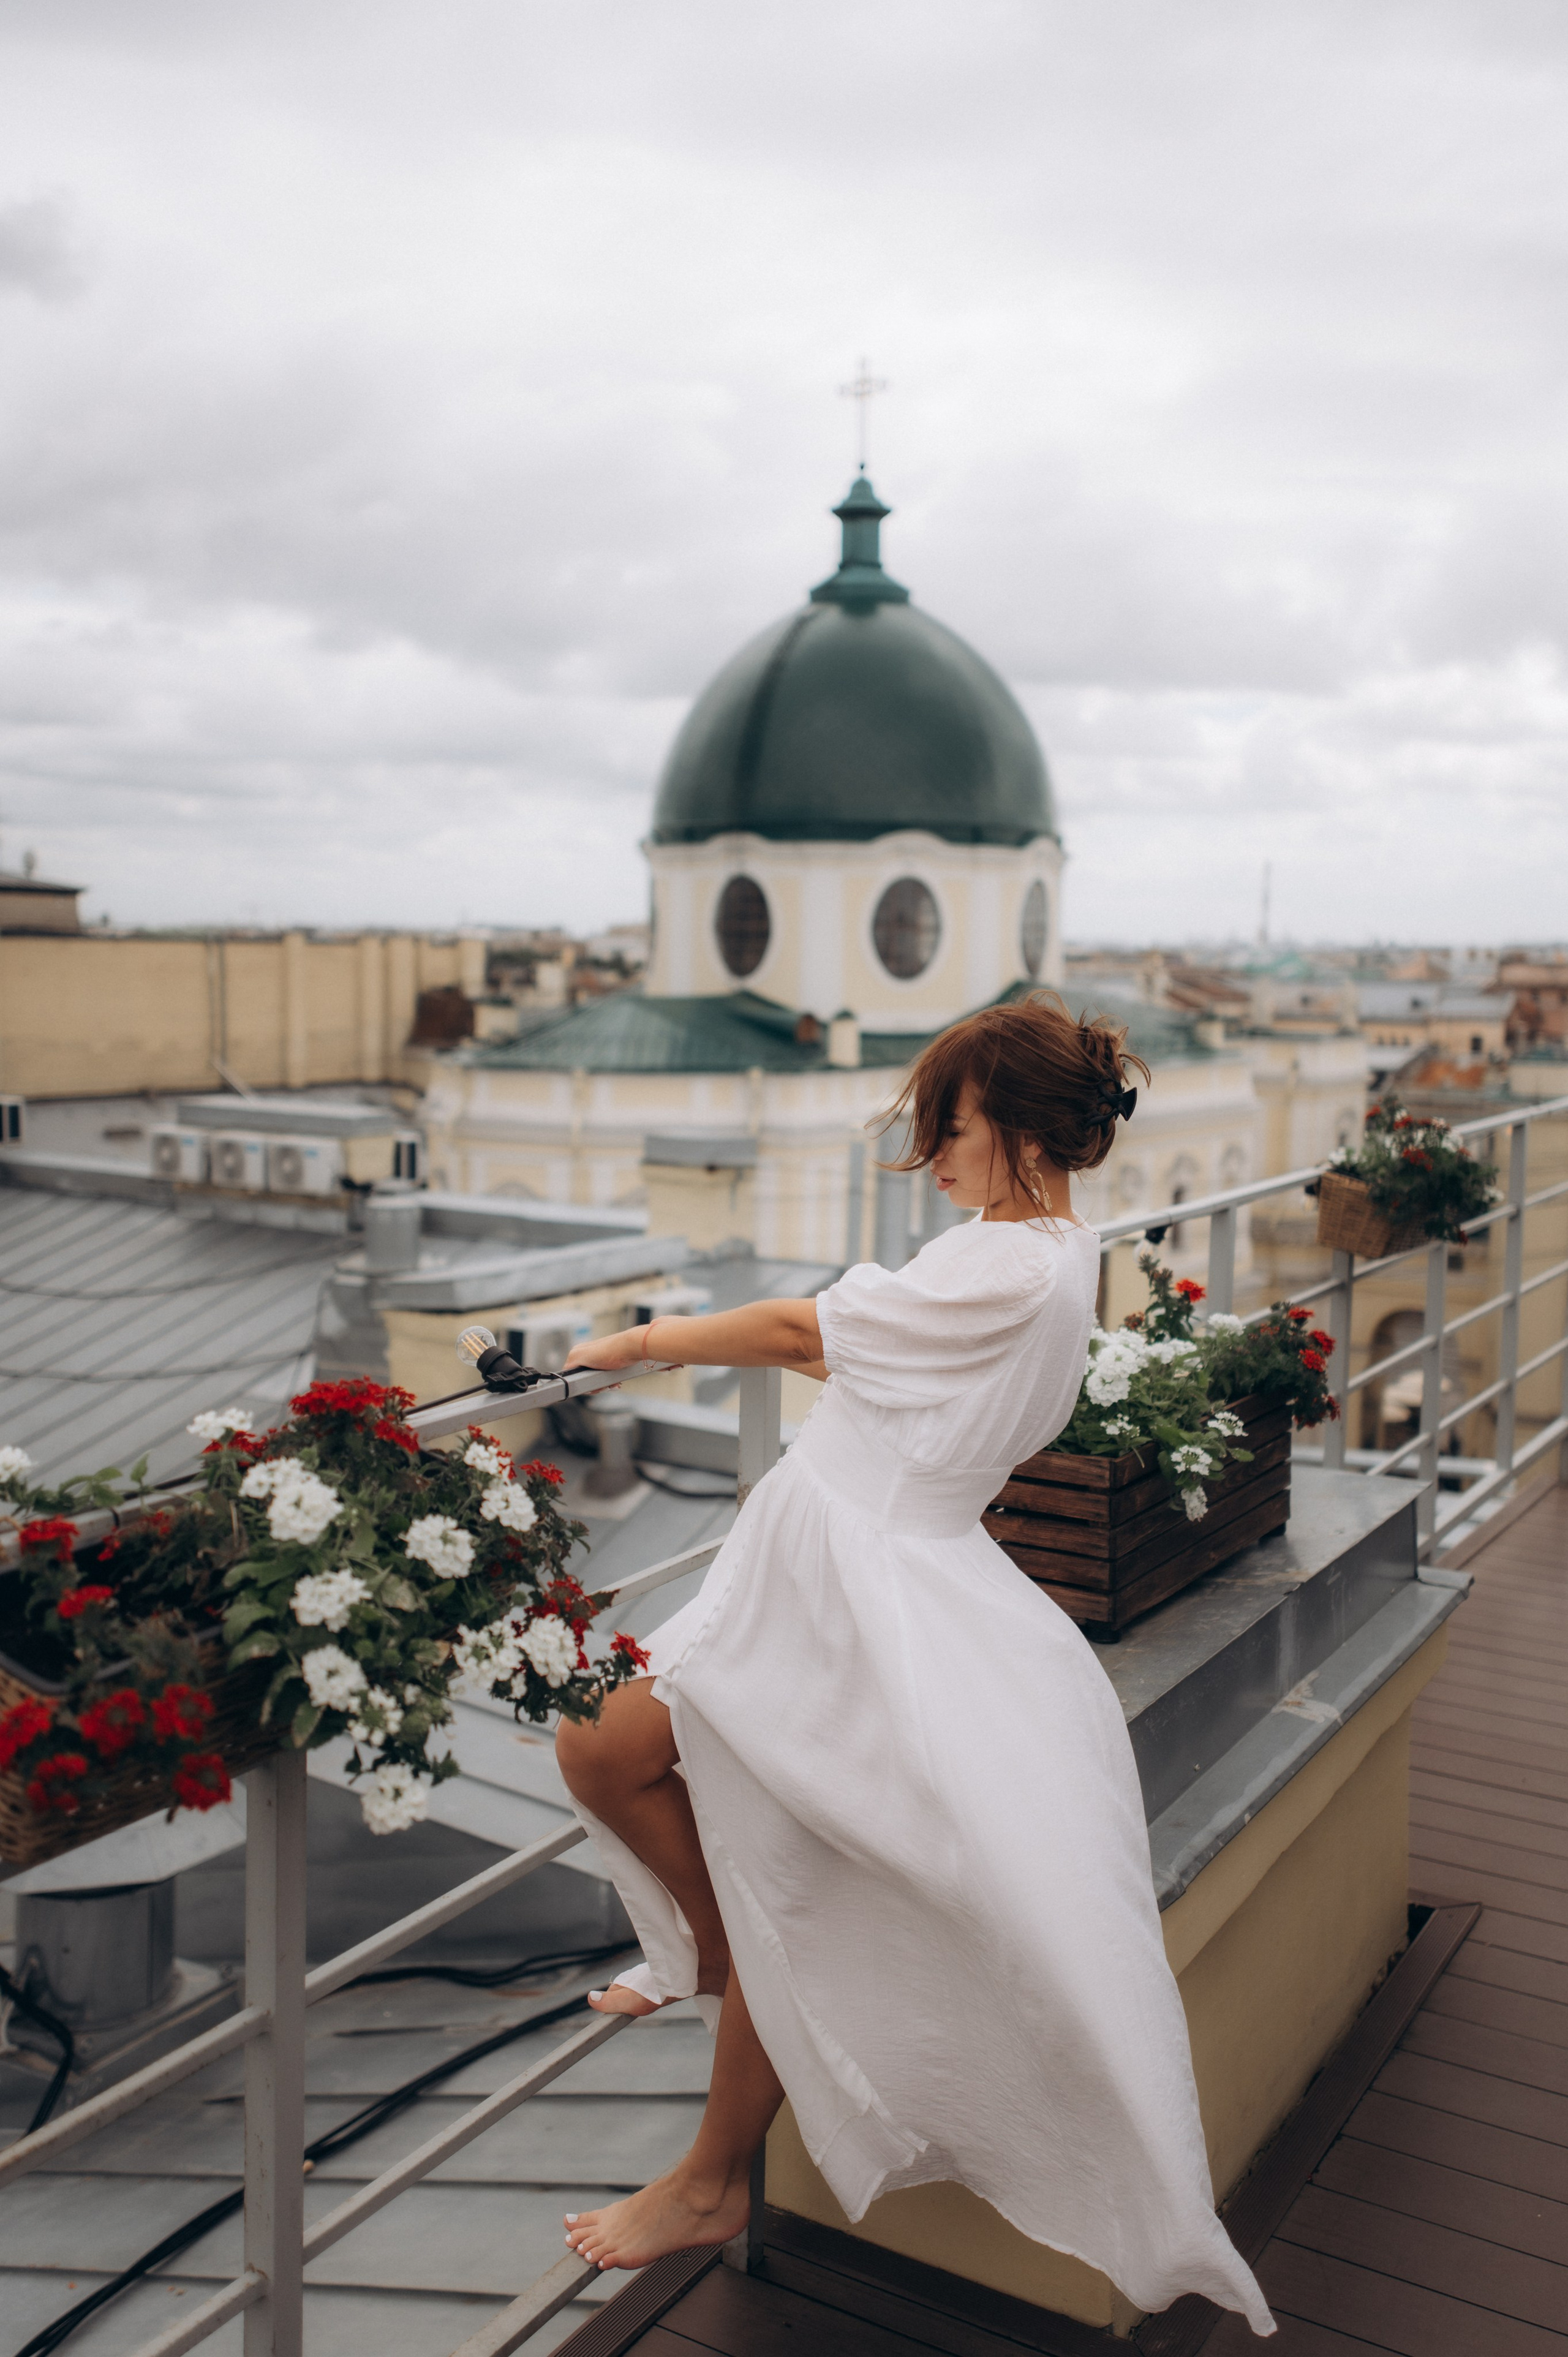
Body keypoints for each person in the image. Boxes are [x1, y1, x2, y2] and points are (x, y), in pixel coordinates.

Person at [553, 994, 1273, 2337]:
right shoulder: (1038, 1248)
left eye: (951, 1126)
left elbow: (802, 1339)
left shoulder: (1007, 1265)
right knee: (606, 1747)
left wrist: (632, 1346)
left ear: (1021, 1129)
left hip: (864, 1601)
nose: (932, 1154)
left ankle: (709, 2176)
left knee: (776, 1871)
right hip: (822, 1576)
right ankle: (713, 1955)